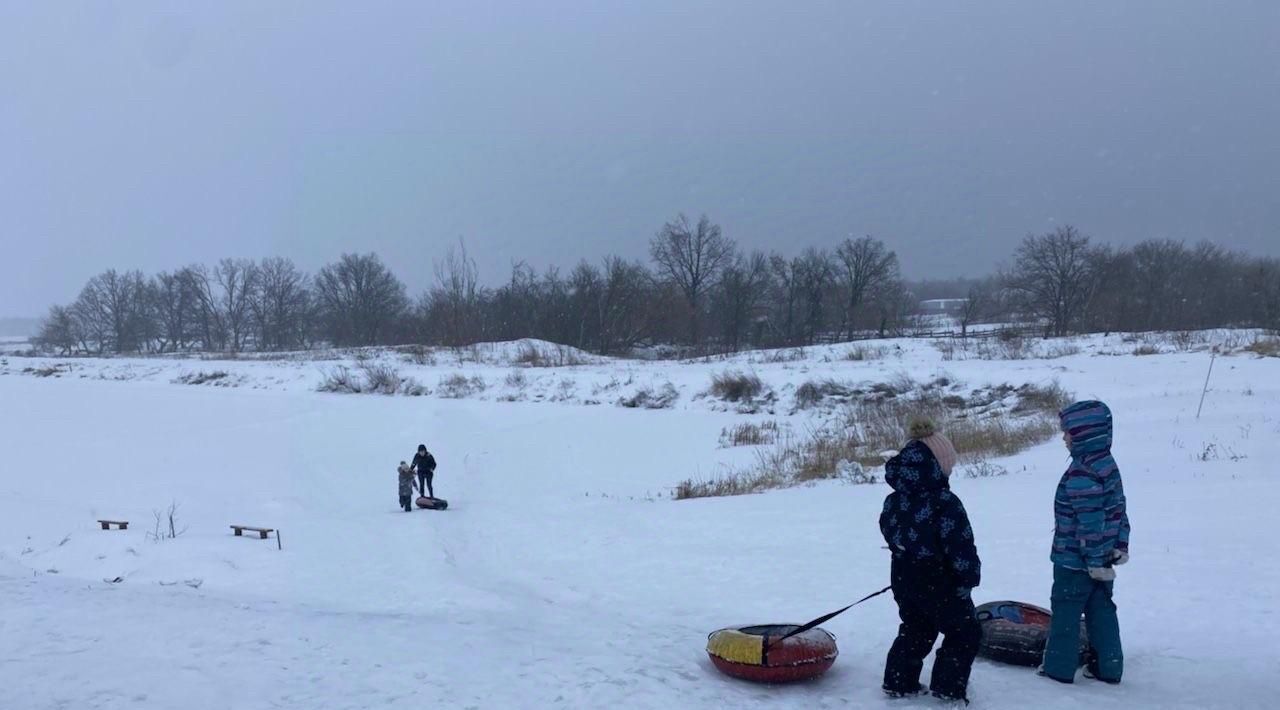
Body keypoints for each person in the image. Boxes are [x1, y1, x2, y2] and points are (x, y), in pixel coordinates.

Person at [880, 417, 982, 704]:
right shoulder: (945, 503)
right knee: (964, 632)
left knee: (916, 627)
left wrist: (906, 554)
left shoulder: (895, 499)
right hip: (941, 580)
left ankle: (899, 681)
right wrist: (968, 578)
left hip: (904, 575)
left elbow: (888, 530)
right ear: (938, 465)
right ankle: (948, 688)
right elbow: (960, 546)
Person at [1041, 400, 1129, 684]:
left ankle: (1058, 668)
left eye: (1068, 432)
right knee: (1102, 611)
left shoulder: (1083, 472)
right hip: (1102, 560)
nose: (1063, 437)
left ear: (1084, 434)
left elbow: (1090, 522)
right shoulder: (1107, 464)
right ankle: (1109, 666)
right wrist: (1119, 546)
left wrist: (1093, 561)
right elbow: (1119, 510)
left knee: (1065, 615)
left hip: (1075, 562)